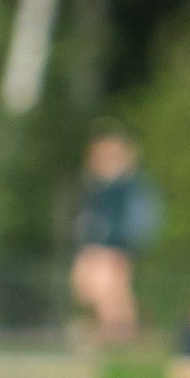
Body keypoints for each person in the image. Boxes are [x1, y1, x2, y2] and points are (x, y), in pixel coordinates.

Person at [67, 127, 162, 339]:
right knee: (91, 295)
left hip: (115, 250)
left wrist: (119, 249)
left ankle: (119, 339)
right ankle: (105, 337)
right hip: (97, 249)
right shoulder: (94, 189)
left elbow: (138, 225)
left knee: (111, 299)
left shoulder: (131, 189)